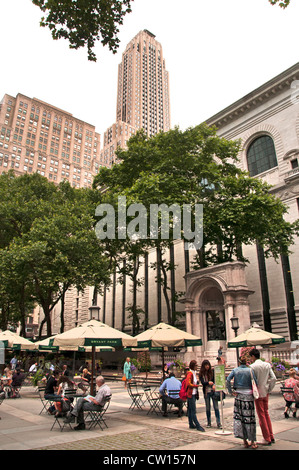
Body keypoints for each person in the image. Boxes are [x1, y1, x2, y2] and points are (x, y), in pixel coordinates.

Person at [226, 355, 258, 449]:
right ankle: (253, 442)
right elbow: (255, 382)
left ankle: (244, 441)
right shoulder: (250, 370)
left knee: (241, 419)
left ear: (239, 362)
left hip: (239, 396)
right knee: (250, 419)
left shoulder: (235, 370)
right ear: (246, 362)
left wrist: (231, 391)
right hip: (249, 396)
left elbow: (228, 380)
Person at [249, 348, 276, 446]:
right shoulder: (267, 365)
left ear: (253, 356)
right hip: (265, 392)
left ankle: (266, 438)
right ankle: (271, 435)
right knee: (266, 413)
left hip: (258, 393)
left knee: (261, 416)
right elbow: (274, 378)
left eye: (250, 357)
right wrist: (269, 388)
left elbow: (252, 381)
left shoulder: (252, 367)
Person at [199, 359, 222, 429]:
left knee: (216, 407)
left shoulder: (212, 372)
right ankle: (209, 422)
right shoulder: (201, 374)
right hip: (206, 392)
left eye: (208, 365)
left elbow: (215, 380)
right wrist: (208, 383)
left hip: (213, 391)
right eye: (206, 365)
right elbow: (202, 383)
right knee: (208, 408)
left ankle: (218, 422)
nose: (207, 366)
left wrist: (214, 384)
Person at [185, 360, 205, 432]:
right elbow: (188, 384)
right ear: (193, 366)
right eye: (196, 365)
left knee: (190, 410)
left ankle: (191, 423)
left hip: (193, 393)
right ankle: (197, 425)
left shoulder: (194, 373)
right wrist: (196, 385)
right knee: (193, 410)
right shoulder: (190, 374)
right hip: (191, 394)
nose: (197, 366)